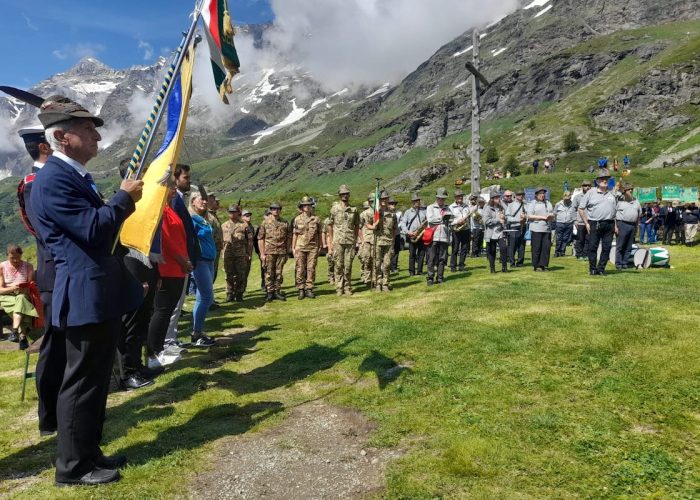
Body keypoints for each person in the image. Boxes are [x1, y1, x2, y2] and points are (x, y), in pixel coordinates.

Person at [29, 95, 144, 485]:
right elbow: (94, 229)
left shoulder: (70, 175)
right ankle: (73, 468)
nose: (97, 135)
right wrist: (124, 198)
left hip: (96, 292)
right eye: (87, 129)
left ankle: (89, 454)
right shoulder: (54, 179)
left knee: (95, 382)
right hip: (84, 294)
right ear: (62, 137)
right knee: (81, 384)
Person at [17, 127, 62, 435]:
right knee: (54, 345)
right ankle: (49, 415)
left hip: (61, 268)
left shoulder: (44, 177)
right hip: (54, 268)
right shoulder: (34, 182)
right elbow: (43, 228)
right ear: (45, 147)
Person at [146, 183, 191, 370]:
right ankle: (152, 353)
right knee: (162, 311)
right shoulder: (160, 210)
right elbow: (167, 241)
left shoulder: (169, 209)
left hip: (177, 268)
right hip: (168, 267)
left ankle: (160, 349)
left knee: (168, 310)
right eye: (170, 186)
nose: (174, 189)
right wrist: (183, 261)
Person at [164, 164, 199, 351]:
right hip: (177, 261)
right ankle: (167, 341)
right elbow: (173, 234)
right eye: (186, 177)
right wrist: (184, 258)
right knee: (173, 304)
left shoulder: (178, 200)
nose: (189, 180)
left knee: (177, 304)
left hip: (182, 260)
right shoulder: (174, 202)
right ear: (175, 180)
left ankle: (171, 338)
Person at [188, 192, 217, 346]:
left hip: (209, 260)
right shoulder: (191, 219)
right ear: (193, 202)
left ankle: (197, 332)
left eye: (206, 200)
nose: (205, 202)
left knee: (201, 298)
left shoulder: (203, 219)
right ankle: (196, 333)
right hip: (200, 261)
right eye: (201, 199)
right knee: (207, 297)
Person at [578, 169, 617, 276]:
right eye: (603, 179)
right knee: (592, 247)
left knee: (607, 247)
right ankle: (593, 268)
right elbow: (581, 208)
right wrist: (586, 223)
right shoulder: (591, 193)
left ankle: (601, 269)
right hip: (595, 223)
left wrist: (616, 225)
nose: (605, 180)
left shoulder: (612, 192)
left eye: (607, 179)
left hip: (609, 224)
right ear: (597, 181)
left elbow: (615, 211)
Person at [0, 245, 38, 350]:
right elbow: (0, 290)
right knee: (21, 306)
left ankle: (15, 330)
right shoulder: (2, 267)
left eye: (18, 257)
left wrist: (26, 288)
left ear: (21, 255)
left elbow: (31, 285)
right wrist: (13, 288)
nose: (16, 260)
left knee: (21, 299)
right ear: (7, 256)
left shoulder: (28, 266)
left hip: (23, 295)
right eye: (12, 258)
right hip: (7, 297)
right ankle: (22, 337)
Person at [327, 185, 360, 295]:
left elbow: (356, 225)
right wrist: (331, 240)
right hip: (338, 241)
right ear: (339, 196)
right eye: (342, 194)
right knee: (338, 265)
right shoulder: (334, 209)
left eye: (346, 194)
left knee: (348, 265)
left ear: (349, 195)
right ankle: (339, 287)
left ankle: (347, 286)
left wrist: (355, 239)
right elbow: (330, 225)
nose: (344, 196)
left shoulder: (354, 210)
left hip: (350, 241)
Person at [258, 202, 291, 301]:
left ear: (280, 210)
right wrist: (262, 253)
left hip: (281, 251)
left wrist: (287, 251)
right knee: (269, 272)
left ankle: (277, 291)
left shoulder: (285, 223)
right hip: (269, 251)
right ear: (270, 210)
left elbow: (288, 237)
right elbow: (260, 238)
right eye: (273, 209)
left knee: (278, 272)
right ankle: (269, 292)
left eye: (277, 209)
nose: (275, 211)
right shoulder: (265, 222)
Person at [292, 196, 322, 299]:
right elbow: (295, 234)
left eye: (309, 205)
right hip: (300, 247)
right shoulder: (297, 219)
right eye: (305, 205)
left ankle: (309, 288)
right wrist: (293, 247)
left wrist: (319, 246)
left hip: (312, 247)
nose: (307, 207)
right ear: (302, 207)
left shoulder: (316, 219)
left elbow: (318, 234)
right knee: (300, 268)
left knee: (311, 268)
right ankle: (301, 289)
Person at [365, 191, 396, 291]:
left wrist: (393, 239)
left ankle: (386, 283)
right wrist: (373, 226)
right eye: (382, 199)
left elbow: (395, 228)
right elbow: (368, 225)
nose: (384, 200)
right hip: (377, 241)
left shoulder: (392, 213)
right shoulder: (375, 212)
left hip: (388, 241)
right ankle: (378, 283)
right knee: (377, 264)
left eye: (386, 198)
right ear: (379, 200)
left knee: (387, 264)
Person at [221, 205, 251, 302]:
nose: (232, 214)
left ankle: (239, 293)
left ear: (238, 213)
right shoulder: (223, 225)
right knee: (228, 274)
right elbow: (221, 241)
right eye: (230, 212)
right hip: (228, 254)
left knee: (240, 274)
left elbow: (249, 241)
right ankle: (229, 293)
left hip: (240, 254)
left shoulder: (244, 225)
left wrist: (248, 253)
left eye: (234, 212)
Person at [425, 188, 452, 285]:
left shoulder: (448, 208)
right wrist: (442, 219)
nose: (442, 200)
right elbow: (431, 220)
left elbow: (451, 220)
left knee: (442, 258)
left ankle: (440, 277)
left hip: (444, 236)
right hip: (433, 236)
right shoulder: (430, 207)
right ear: (437, 198)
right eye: (440, 198)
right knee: (431, 258)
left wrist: (449, 220)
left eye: (443, 198)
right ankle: (430, 277)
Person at [526, 187, 554, 271]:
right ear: (536, 195)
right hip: (536, 228)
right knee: (536, 248)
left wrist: (551, 216)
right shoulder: (533, 203)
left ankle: (543, 265)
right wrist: (542, 217)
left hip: (547, 229)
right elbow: (529, 216)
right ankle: (536, 265)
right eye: (540, 193)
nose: (542, 195)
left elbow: (552, 214)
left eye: (543, 193)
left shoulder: (548, 203)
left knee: (546, 248)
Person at [614, 183, 641, 269]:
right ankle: (618, 263)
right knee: (620, 245)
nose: (631, 191)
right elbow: (613, 215)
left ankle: (625, 262)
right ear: (625, 191)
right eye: (629, 190)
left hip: (632, 225)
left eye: (632, 189)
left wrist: (637, 226)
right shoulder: (619, 201)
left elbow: (639, 214)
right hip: (622, 224)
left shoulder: (636, 201)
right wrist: (615, 226)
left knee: (629, 246)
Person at [400, 193, 427, 275]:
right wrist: (408, 232)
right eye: (415, 201)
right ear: (412, 202)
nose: (417, 202)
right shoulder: (408, 212)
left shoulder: (424, 211)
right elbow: (403, 224)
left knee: (421, 253)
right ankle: (411, 271)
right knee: (412, 254)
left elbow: (426, 222)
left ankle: (420, 271)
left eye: (418, 201)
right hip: (412, 236)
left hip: (421, 235)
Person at [483, 193, 507, 273]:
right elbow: (486, 221)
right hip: (491, 233)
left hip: (500, 232)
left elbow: (505, 218)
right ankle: (492, 268)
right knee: (492, 251)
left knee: (503, 249)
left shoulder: (501, 207)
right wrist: (497, 220)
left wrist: (504, 218)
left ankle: (504, 267)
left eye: (499, 198)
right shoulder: (488, 208)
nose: (498, 199)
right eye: (496, 198)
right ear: (492, 199)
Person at [449, 189, 471, 272]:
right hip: (456, 230)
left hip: (465, 229)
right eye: (458, 196)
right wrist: (457, 221)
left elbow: (468, 217)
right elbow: (450, 220)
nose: (460, 197)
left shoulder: (466, 206)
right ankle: (453, 266)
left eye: (461, 196)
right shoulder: (451, 207)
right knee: (455, 249)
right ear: (455, 197)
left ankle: (461, 265)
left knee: (464, 248)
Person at [505, 190, 526, 267]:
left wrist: (525, 218)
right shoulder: (511, 205)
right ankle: (512, 262)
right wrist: (517, 220)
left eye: (522, 195)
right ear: (516, 196)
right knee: (512, 246)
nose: (521, 196)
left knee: (522, 246)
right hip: (514, 227)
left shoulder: (526, 204)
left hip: (523, 226)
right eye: (519, 195)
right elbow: (507, 217)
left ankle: (520, 262)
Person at [358, 193, 376, 286]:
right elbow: (359, 228)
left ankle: (374, 278)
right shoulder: (363, 214)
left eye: (374, 201)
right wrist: (362, 240)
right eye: (371, 201)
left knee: (376, 259)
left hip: (376, 239)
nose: (373, 203)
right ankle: (367, 278)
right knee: (366, 259)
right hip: (367, 239)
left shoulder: (378, 212)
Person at [573, 181, 592, 260]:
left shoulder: (593, 196)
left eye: (589, 185)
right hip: (580, 222)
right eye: (585, 185)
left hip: (590, 221)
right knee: (580, 239)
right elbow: (573, 209)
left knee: (588, 239)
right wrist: (575, 220)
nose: (587, 187)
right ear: (582, 187)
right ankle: (579, 254)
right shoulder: (577, 197)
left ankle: (586, 254)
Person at [553, 191, 576, 257]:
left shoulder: (573, 204)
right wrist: (556, 221)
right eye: (566, 199)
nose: (567, 200)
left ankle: (562, 251)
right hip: (560, 223)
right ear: (563, 197)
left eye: (568, 199)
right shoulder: (558, 204)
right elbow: (554, 213)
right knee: (559, 238)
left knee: (566, 239)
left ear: (570, 198)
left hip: (569, 223)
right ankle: (557, 251)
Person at [389, 198, 402, 272]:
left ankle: (394, 266)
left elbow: (401, 222)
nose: (393, 205)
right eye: (391, 204)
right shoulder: (386, 213)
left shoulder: (399, 213)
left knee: (396, 250)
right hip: (389, 235)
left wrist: (397, 226)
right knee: (389, 250)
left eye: (394, 204)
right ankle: (388, 266)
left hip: (397, 233)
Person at [322, 217, 334, 284]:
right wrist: (324, 244)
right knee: (331, 262)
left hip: (339, 242)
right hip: (330, 242)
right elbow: (323, 232)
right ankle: (331, 277)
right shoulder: (327, 220)